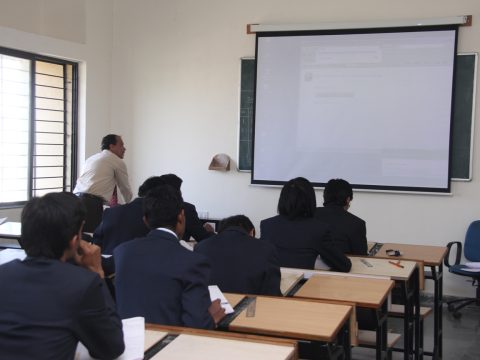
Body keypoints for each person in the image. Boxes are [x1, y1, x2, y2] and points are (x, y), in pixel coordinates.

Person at [0, 192, 124, 359]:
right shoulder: (82, 284)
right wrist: (97, 272)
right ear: (74, 241)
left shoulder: (4, 274)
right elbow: (111, 347)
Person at [114, 184, 225, 328]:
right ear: (181, 217)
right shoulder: (193, 262)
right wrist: (211, 318)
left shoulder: (122, 252)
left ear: (146, 220)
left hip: (128, 344)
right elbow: (197, 325)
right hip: (169, 346)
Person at [260, 177, 351, 272]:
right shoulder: (319, 229)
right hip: (305, 285)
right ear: (310, 200)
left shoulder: (266, 225)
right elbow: (344, 265)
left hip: (272, 284)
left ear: (282, 199)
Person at [195, 215, 281, 296]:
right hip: (251, 307)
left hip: (210, 307)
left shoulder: (201, 247)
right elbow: (272, 292)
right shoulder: (267, 249)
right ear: (251, 232)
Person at [74, 134, 133, 232]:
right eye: (121, 145)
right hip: (91, 205)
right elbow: (124, 188)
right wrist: (130, 206)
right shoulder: (116, 161)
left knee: (78, 237)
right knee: (92, 239)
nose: (124, 149)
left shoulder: (92, 158)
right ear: (111, 146)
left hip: (75, 201)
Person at [315, 178, 368, 255]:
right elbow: (361, 256)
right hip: (341, 266)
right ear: (348, 199)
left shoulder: (309, 215)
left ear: (325, 196)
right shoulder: (357, 224)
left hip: (306, 265)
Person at [158, 174, 214, 241]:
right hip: (176, 249)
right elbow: (203, 238)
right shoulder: (186, 209)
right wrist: (210, 232)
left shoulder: (148, 207)